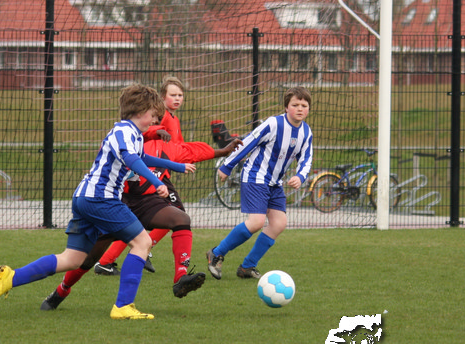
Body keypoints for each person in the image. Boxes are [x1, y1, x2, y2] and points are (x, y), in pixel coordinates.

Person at [0, 84, 195, 320]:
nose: (155, 121)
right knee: (142, 242)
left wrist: (177, 166)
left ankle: (10, 278)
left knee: (72, 259)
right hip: (101, 198)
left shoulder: (132, 134)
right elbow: (131, 159)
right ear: (140, 111)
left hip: (86, 197)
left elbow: (142, 157)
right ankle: (123, 306)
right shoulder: (124, 131)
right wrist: (156, 182)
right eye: (153, 115)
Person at [40, 122, 242, 310]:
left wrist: (223, 151)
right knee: (86, 260)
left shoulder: (169, 146)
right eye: (152, 117)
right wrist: (154, 132)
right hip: (117, 204)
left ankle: (180, 277)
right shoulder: (130, 139)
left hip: (147, 203)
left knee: (181, 219)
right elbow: (137, 138)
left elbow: (193, 151)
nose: (155, 120)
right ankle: (62, 290)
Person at [206, 86, 314, 280]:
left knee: (279, 223)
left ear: (308, 109)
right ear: (286, 107)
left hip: (274, 183)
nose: (300, 108)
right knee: (256, 222)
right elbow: (249, 142)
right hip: (255, 176)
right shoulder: (273, 124)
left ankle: (247, 266)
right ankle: (216, 253)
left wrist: (300, 176)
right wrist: (227, 166)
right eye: (295, 104)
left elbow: (306, 158)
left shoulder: (306, 132)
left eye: (304, 105)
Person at [93, 75, 187, 276]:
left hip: (159, 172)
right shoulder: (157, 118)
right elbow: (142, 142)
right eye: (172, 95)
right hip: (150, 174)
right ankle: (137, 251)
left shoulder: (173, 118)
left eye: (180, 95)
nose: (177, 99)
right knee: (175, 216)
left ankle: (116, 257)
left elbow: (177, 147)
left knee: (160, 218)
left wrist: (180, 164)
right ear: (162, 97)